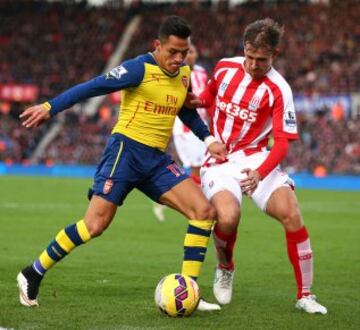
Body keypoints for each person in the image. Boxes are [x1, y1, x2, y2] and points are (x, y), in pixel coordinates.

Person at [17, 15, 225, 312]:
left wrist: (208, 139)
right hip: (125, 153)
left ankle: (187, 290)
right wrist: (51, 107)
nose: (179, 59)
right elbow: (92, 87)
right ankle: (33, 272)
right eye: (173, 52)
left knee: (204, 212)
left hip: (155, 160)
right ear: (158, 45)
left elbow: (185, 111)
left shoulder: (183, 74)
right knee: (95, 225)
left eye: (184, 52)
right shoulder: (138, 68)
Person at [188, 18, 327, 314]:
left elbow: (281, 143)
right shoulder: (225, 67)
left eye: (261, 60)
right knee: (227, 217)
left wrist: (260, 173)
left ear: (275, 55)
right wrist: (193, 102)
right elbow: (209, 97)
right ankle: (225, 266)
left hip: (256, 159)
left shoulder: (279, 89)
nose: (253, 64)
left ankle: (306, 295)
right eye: (249, 56)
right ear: (244, 49)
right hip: (220, 159)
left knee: (292, 214)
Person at [153, 43, 208, 222]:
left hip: (201, 126)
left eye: (192, 51)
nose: (190, 56)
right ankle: (195, 206)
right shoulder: (177, 73)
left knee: (200, 168)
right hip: (185, 129)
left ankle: (169, 199)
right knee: (196, 168)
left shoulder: (201, 72)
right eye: (188, 52)